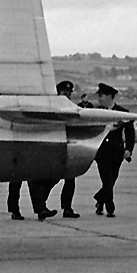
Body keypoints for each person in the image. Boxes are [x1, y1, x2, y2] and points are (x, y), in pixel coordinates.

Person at [92, 83, 135, 217]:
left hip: (117, 151)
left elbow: (130, 133)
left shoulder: (122, 113)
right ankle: (109, 207)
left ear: (110, 96)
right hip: (101, 152)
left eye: (101, 95)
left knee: (112, 178)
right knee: (108, 178)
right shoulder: (97, 112)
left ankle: (100, 199)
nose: (99, 98)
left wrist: (129, 149)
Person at [55, 80, 81, 218]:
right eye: (65, 92)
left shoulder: (72, 108)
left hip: (67, 147)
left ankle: (67, 208)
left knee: (70, 180)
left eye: (69, 93)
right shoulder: (52, 106)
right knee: (49, 180)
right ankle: (41, 205)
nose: (67, 95)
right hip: (53, 147)